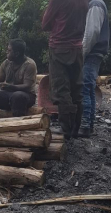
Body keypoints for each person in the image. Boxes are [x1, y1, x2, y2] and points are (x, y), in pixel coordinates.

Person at [42, 0, 89, 140]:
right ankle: (75, 127)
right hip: (77, 48)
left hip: (59, 47)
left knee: (61, 88)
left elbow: (45, 24)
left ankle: (65, 128)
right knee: (76, 87)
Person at [0, 39, 37, 118]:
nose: (7, 52)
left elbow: (27, 85)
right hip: (8, 94)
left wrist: (11, 87)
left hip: (26, 96)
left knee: (17, 96)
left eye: (9, 50)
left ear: (16, 53)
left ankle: (19, 122)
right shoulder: (6, 63)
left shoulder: (29, 64)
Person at [78, 0, 109, 138]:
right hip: (96, 52)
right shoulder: (97, 3)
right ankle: (88, 125)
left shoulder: (95, 4)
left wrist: (82, 54)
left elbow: (92, 32)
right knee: (89, 87)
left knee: (85, 87)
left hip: (92, 52)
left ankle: (85, 126)